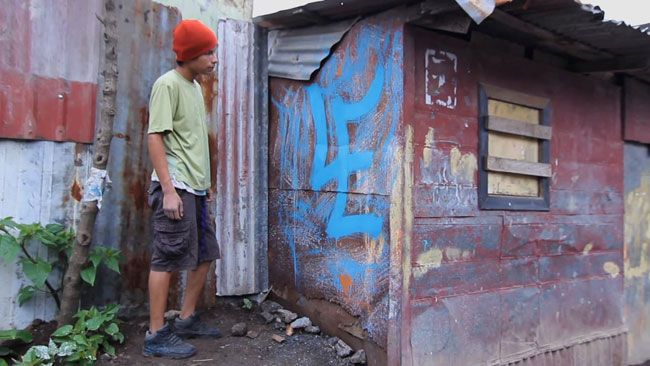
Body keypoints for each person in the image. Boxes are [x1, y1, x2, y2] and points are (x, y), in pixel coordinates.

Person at [142, 19, 220, 359]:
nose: (214, 59)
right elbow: (155, 136)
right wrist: (170, 191)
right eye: (207, 53)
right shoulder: (167, 85)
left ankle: (187, 319)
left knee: (205, 254)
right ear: (188, 56)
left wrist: (206, 185)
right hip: (177, 186)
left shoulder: (193, 85)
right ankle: (156, 334)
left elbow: (191, 141)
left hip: (197, 188)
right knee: (167, 257)